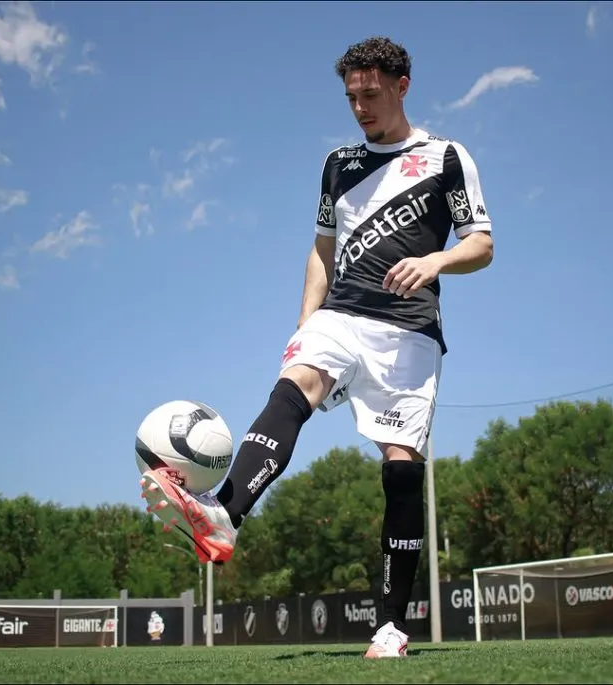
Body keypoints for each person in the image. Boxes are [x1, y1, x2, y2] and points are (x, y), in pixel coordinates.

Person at [139, 35, 494, 658]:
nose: (360, 107)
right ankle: (224, 513)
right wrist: (305, 322)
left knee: (401, 470)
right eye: (351, 96)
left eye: (371, 94)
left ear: (401, 86)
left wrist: (435, 259)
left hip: (410, 333)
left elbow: (482, 244)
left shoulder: (446, 157)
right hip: (343, 314)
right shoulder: (337, 164)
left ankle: (390, 625)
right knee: (296, 380)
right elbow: (322, 249)